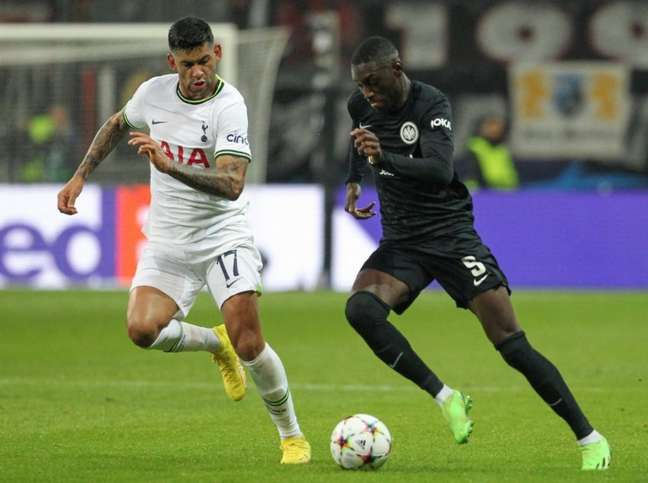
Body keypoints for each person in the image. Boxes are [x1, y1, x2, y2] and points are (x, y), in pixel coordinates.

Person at [343, 36, 610, 471]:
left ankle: (589, 437)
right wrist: (355, 181)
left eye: (373, 82)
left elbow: (439, 169)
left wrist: (381, 160)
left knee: (511, 344)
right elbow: (360, 141)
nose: (367, 92)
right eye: (360, 84)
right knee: (361, 311)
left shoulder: (432, 104)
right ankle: (446, 397)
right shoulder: (361, 105)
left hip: (451, 237)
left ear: (396, 67)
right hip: (403, 242)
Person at [56, 16, 310, 464]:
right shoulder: (152, 92)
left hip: (221, 238)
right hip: (169, 241)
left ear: (218, 54)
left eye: (204, 61)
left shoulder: (229, 105)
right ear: (172, 62)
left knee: (249, 340)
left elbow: (233, 183)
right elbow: (118, 123)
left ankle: (292, 436)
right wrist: (80, 176)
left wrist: (170, 167)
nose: (198, 72)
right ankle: (216, 344)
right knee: (141, 330)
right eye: (188, 63)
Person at [459, 113, 519, 190]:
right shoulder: (474, 147)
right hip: (483, 193)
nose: (495, 129)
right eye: (491, 125)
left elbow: (512, 178)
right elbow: (471, 177)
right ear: (482, 128)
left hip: (506, 192)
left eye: (498, 126)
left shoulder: (503, 150)